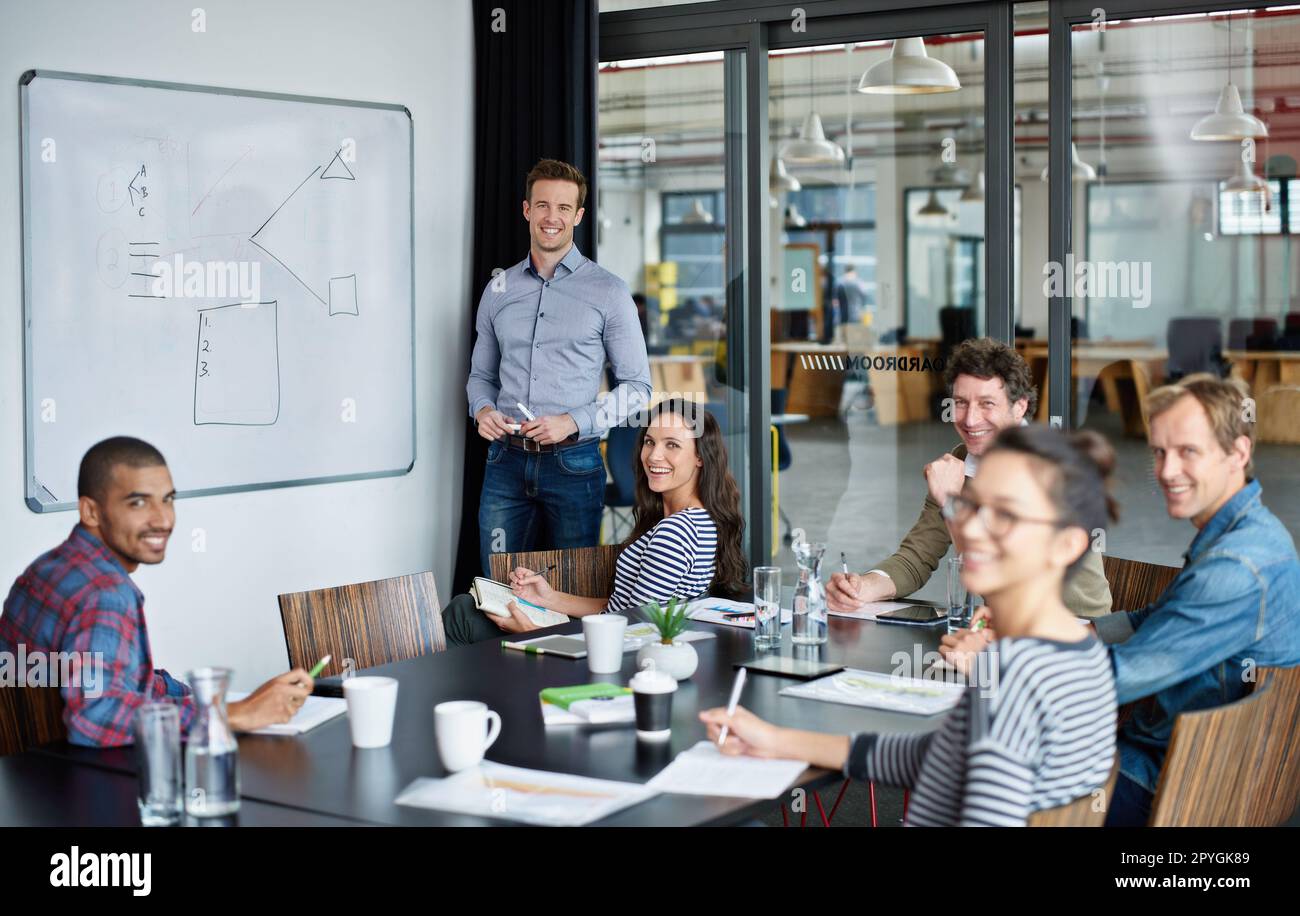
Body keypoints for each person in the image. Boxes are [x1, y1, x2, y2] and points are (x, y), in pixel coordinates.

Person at [701, 425, 1118, 826]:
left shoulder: (1013, 685)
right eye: (970, 505)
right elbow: (933, 756)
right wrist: (776, 740)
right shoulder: (1075, 658)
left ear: (1067, 544)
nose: (970, 528)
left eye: (1005, 515)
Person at [943, 374, 1300, 826]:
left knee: (976, 777)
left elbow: (1112, 682)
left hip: (1174, 779)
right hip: (1199, 762)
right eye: (1160, 452)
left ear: (1239, 453)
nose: (1167, 471)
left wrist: (1000, 663)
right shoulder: (1248, 534)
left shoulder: (1235, 566)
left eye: (1188, 451)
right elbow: (1156, 618)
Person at [0, 437, 313, 747]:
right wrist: (231, 714)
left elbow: (109, 679)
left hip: (27, 778)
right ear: (91, 512)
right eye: (138, 502)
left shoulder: (47, 568)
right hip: (81, 784)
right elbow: (95, 717)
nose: (163, 519)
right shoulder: (106, 593)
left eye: (167, 499)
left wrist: (197, 698)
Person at [827, 337, 1112, 617]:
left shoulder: (1048, 466)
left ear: (1020, 406)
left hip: (1073, 633)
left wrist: (950, 502)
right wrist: (863, 587)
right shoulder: (963, 461)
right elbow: (917, 557)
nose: (970, 419)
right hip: (1006, 628)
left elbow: (1006, 576)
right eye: (961, 402)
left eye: (987, 403)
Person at [467, 158, 652, 576]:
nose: (552, 217)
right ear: (527, 210)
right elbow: (481, 376)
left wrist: (573, 421)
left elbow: (639, 388)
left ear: (578, 216)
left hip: (575, 465)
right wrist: (482, 410)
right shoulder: (498, 290)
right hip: (504, 464)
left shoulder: (609, 292)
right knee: (499, 589)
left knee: (574, 591)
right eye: (543, 205)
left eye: (564, 208)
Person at [442, 399, 745, 646]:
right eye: (650, 442)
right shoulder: (699, 520)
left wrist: (533, 633)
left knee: (462, 613)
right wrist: (549, 598)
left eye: (672, 445)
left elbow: (631, 634)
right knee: (466, 607)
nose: (654, 455)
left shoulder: (675, 533)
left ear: (700, 457)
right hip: (609, 638)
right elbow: (623, 610)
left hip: (607, 657)